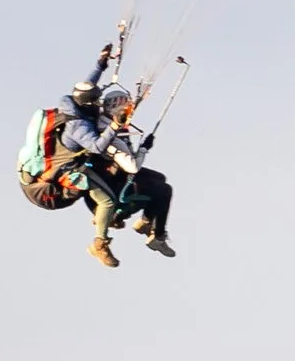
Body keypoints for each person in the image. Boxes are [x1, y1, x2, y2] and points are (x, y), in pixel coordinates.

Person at [17, 42, 177, 268]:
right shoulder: (80, 127)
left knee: (158, 180)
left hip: (52, 169)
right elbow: (96, 147)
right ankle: (99, 244)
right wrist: (115, 128)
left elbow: (90, 83)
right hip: (53, 183)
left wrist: (100, 64)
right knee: (107, 200)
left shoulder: (72, 101)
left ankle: (146, 223)